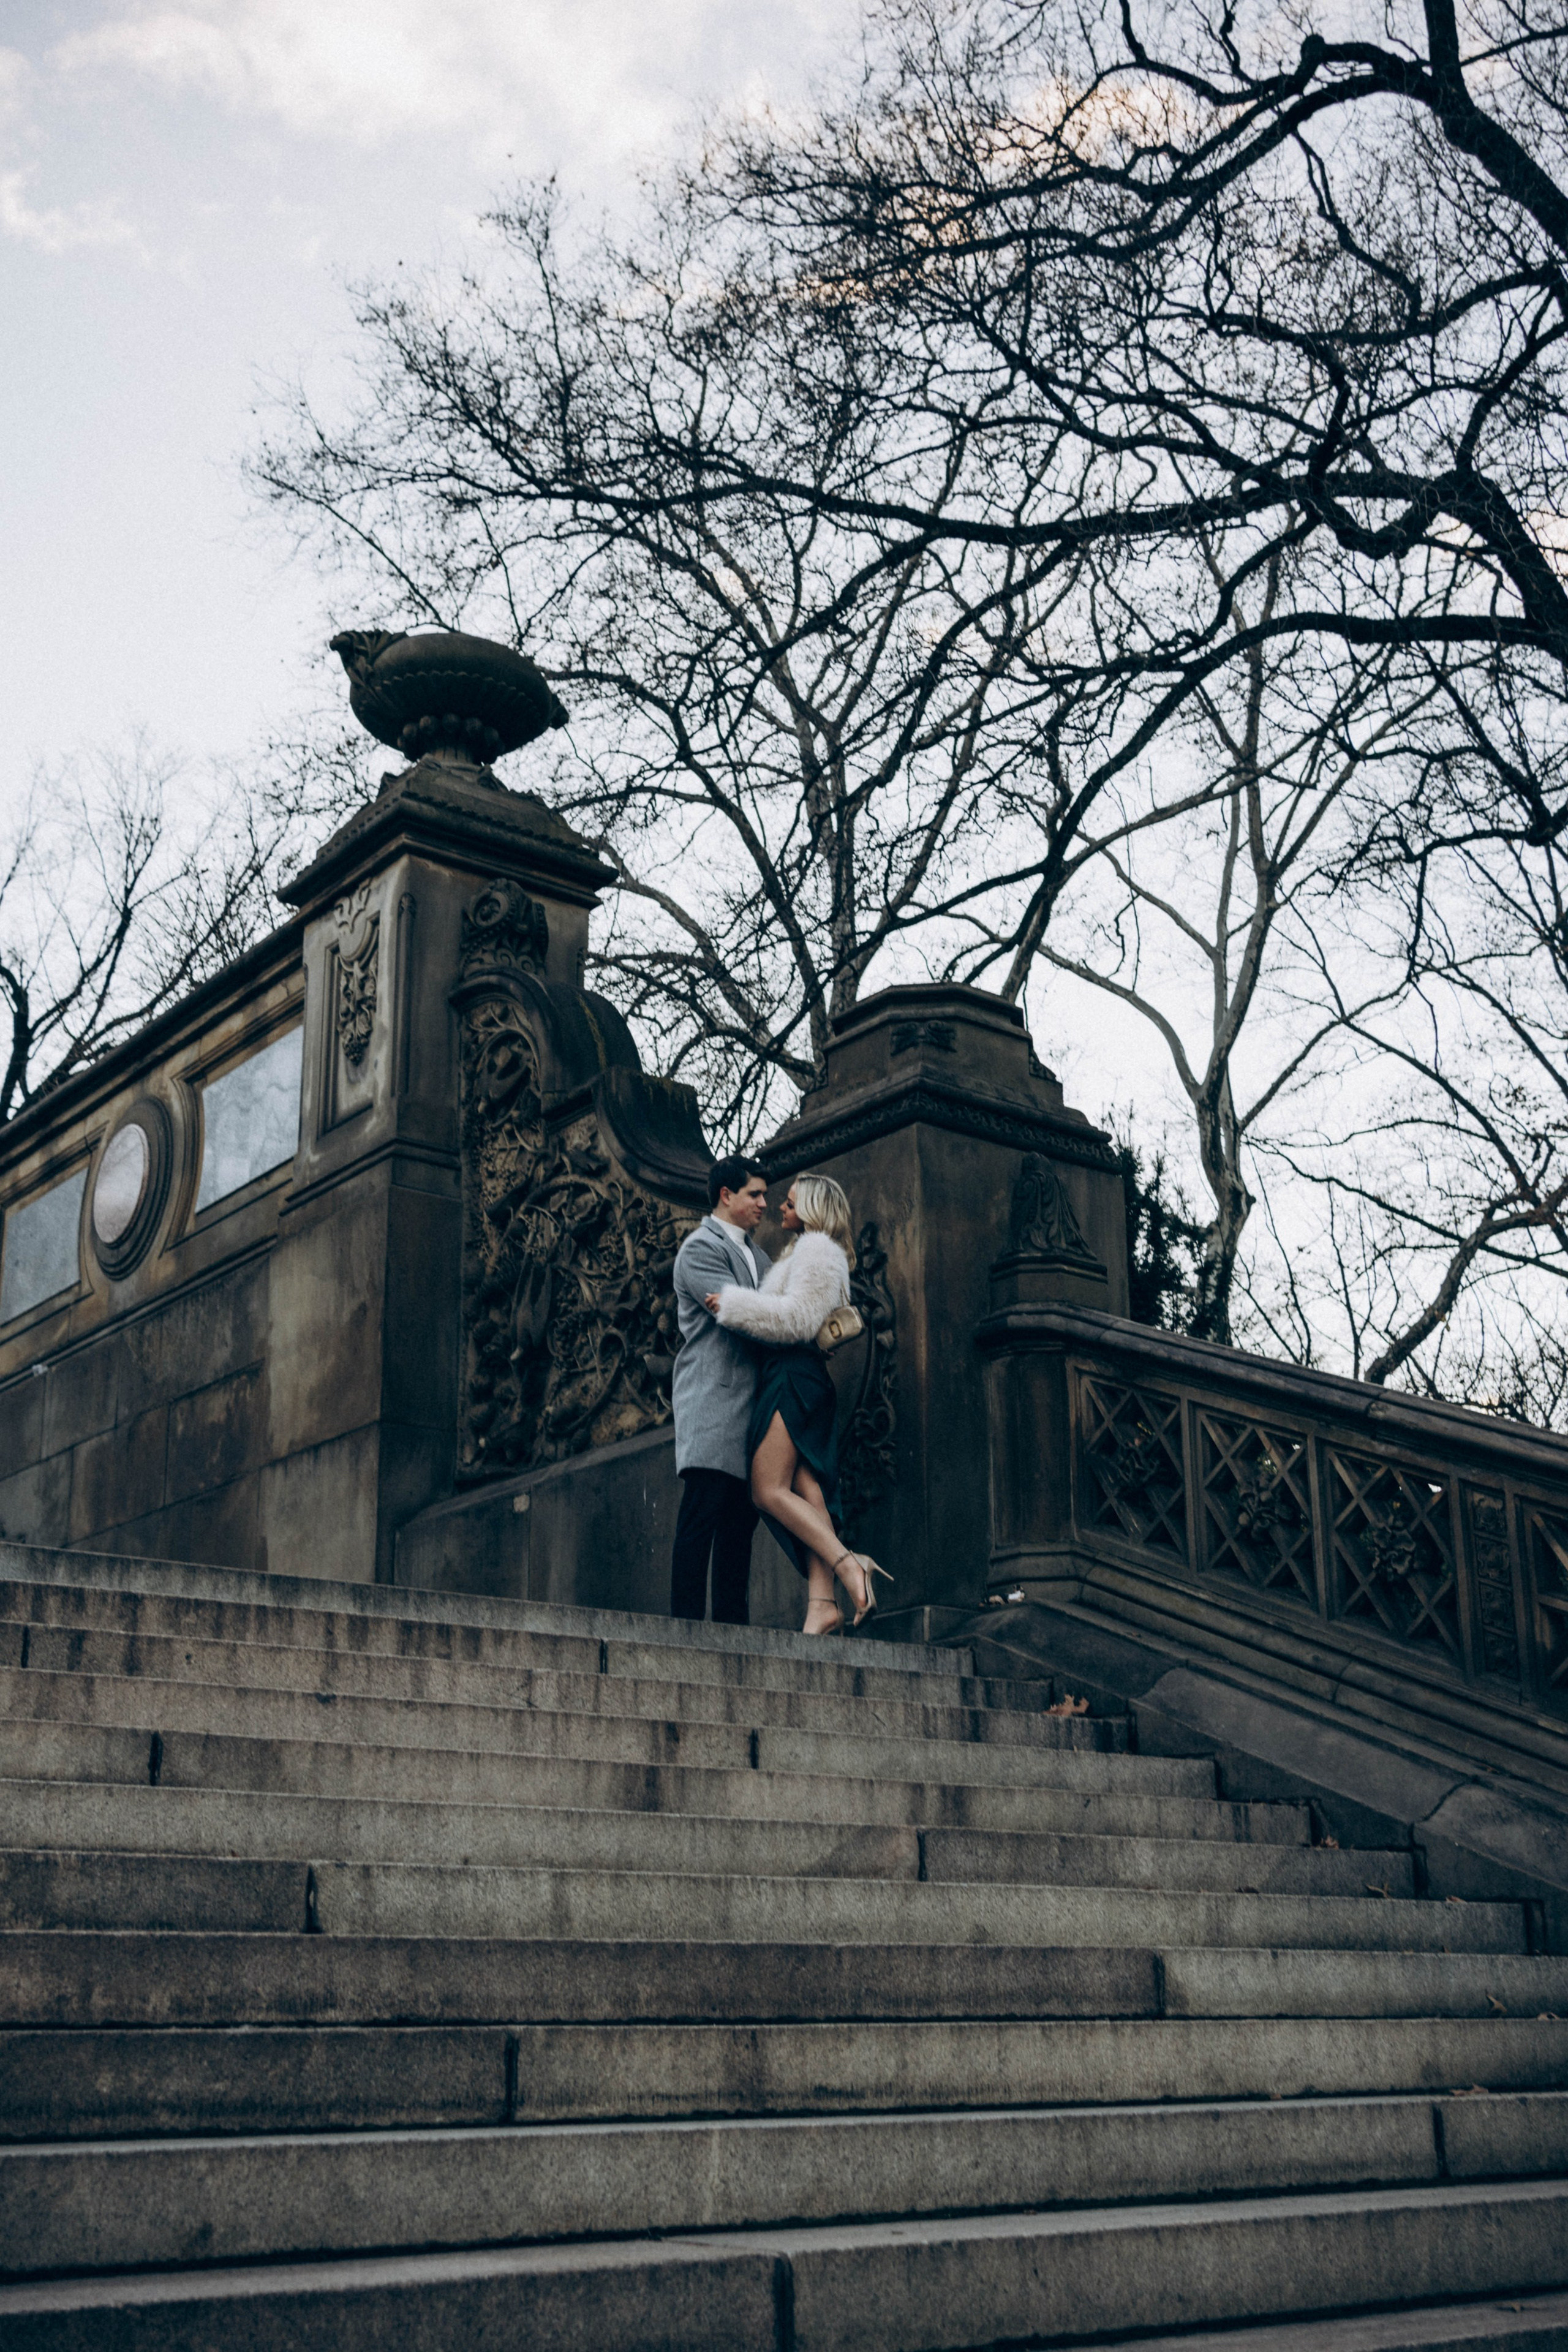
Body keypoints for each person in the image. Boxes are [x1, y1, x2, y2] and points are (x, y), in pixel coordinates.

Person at [707, 1171, 890, 1637]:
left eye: (789, 1203)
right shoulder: (812, 1252)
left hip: (792, 1377)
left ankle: (849, 1565)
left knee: (767, 1489)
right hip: (797, 1376)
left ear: (810, 1208)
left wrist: (731, 1305)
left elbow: (796, 1320)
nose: (780, 1209)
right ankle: (821, 1605)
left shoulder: (816, 1250)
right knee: (807, 1488)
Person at [668, 1154, 771, 1623]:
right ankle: (685, 1630)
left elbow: (762, 1314)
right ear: (726, 1196)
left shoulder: (760, 1255)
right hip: (713, 1399)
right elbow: (744, 1321)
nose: (764, 1203)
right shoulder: (699, 1249)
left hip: (751, 1406)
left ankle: (734, 1632)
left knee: (739, 1526)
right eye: (755, 1194)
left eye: (766, 1195)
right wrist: (768, 1312)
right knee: (702, 1515)